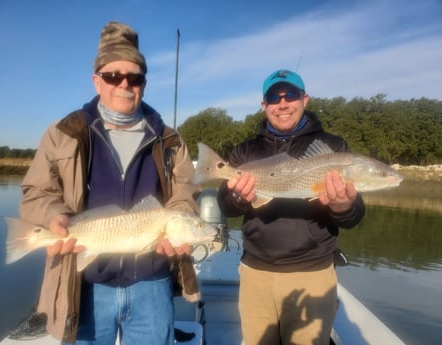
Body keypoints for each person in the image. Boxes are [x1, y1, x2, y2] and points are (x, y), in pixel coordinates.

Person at [19, 21, 200, 345]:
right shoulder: (62, 133)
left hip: (152, 282)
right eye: (113, 76)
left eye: (135, 77)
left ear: (144, 83)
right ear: (96, 80)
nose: (125, 84)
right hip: (85, 282)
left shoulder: (171, 141)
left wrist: (180, 216)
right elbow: (36, 191)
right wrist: (52, 217)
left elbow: (185, 192)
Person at [217, 69, 366, 345]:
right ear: (264, 105)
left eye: (291, 95)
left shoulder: (333, 147)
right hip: (255, 275)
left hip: (312, 276)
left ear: (305, 99)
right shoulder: (247, 150)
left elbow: (354, 215)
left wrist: (344, 206)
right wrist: (238, 197)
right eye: (274, 97)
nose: (282, 103)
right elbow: (226, 206)